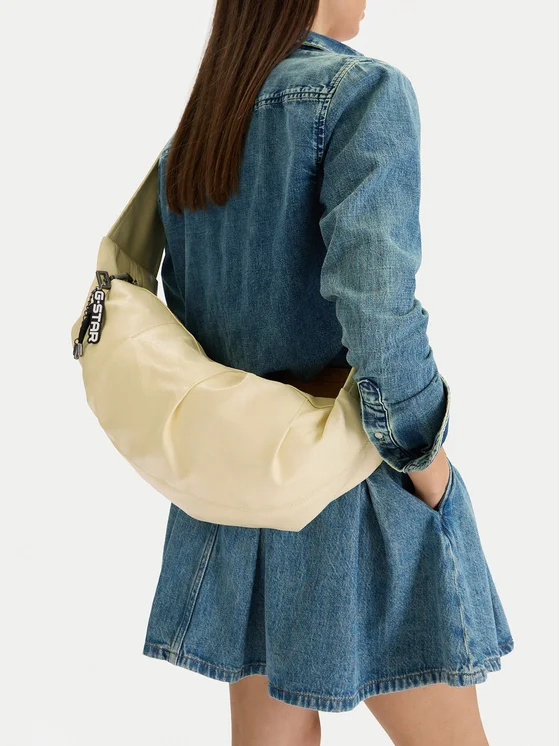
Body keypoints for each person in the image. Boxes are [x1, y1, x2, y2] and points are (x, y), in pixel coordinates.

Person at [141, 0, 514, 743]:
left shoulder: (199, 130)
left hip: (242, 485)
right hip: (353, 480)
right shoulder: (363, 93)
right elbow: (377, 306)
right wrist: (424, 458)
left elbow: (185, 317)